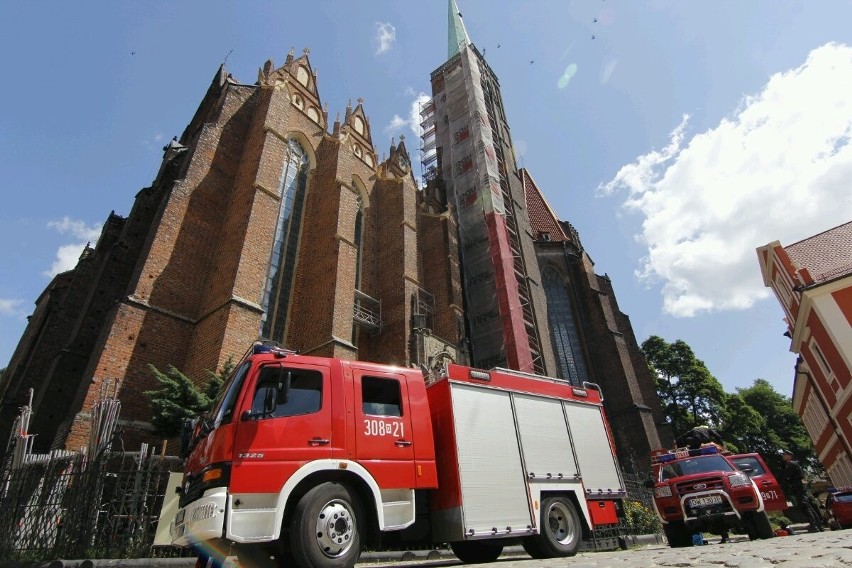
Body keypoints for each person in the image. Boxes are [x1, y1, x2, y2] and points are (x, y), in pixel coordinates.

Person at [780, 450, 824, 532]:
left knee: (804, 506)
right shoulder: (792, 464)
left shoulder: (791, 464)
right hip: (798, 486)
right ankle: (818, 525)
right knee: (808, 506)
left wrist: (785, 477)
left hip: (798, 487)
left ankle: (814, 526)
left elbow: (785, 475)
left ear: (789, 455)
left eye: (785, 454)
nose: (783, 456)